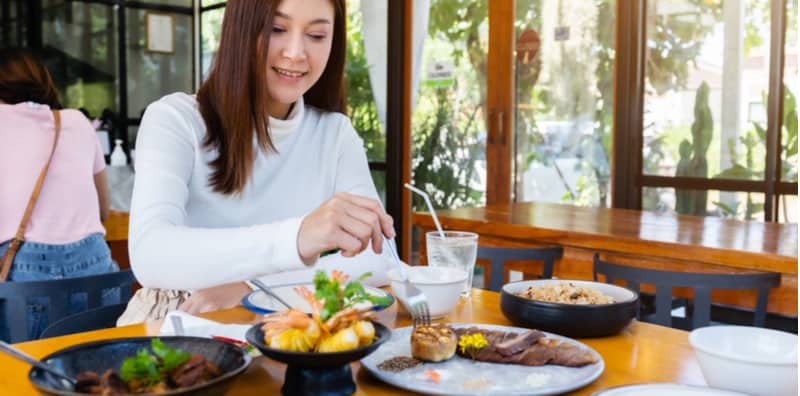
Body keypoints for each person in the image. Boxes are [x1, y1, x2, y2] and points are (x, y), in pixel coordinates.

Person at [118, 0, 399, 323]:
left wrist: (253, 286)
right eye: (276, 29)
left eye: (317, 35)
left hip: (283, 317)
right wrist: (298, 237)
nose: (296, 53)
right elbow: (151, 253)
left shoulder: (334, 133)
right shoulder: (175, 120)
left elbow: (380, 258)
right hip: (181, 319)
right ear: (240, 30)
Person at [0, 48, 118, 340]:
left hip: (23, 277)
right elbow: (103, 211)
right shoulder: (76, 121)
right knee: (94, 374)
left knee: (21, 377)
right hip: (95, 271)